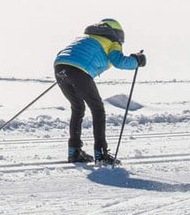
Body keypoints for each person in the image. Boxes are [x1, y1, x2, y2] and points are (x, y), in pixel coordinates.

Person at [54, 18, 145, 165]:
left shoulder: (85, 38)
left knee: (77, 108)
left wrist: (67, 69)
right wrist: (136, 60)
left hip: (60, 67)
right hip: (79, 70)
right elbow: (118, 61)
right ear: (114, 33)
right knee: (97, 109)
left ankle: (74, 151)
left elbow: (68, 54)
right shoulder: (111, 42)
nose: (121, 40)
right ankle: (101, 154)